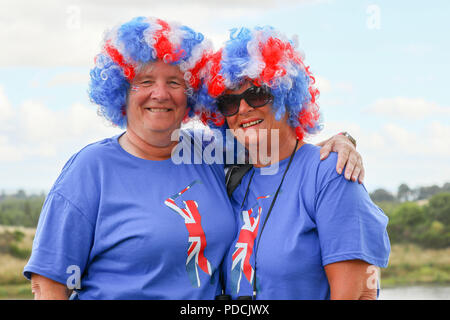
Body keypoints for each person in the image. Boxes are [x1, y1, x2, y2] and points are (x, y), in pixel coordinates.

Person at [23, 17, 364, 300]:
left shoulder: (209, 154)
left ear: (190, 97)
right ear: (121, 92)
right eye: (145, 81)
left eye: (174, 81)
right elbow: (48, 283)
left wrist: (338, 143)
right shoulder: (89, 170)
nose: (161, 93)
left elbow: (276, 146)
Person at [199, 26, 390, 300]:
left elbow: (360, 294)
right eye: (229, 102)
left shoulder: (331, 174)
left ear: (287, 95)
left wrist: (344, 140)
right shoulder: (232, 179)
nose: (242, 109)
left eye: (256, 94)